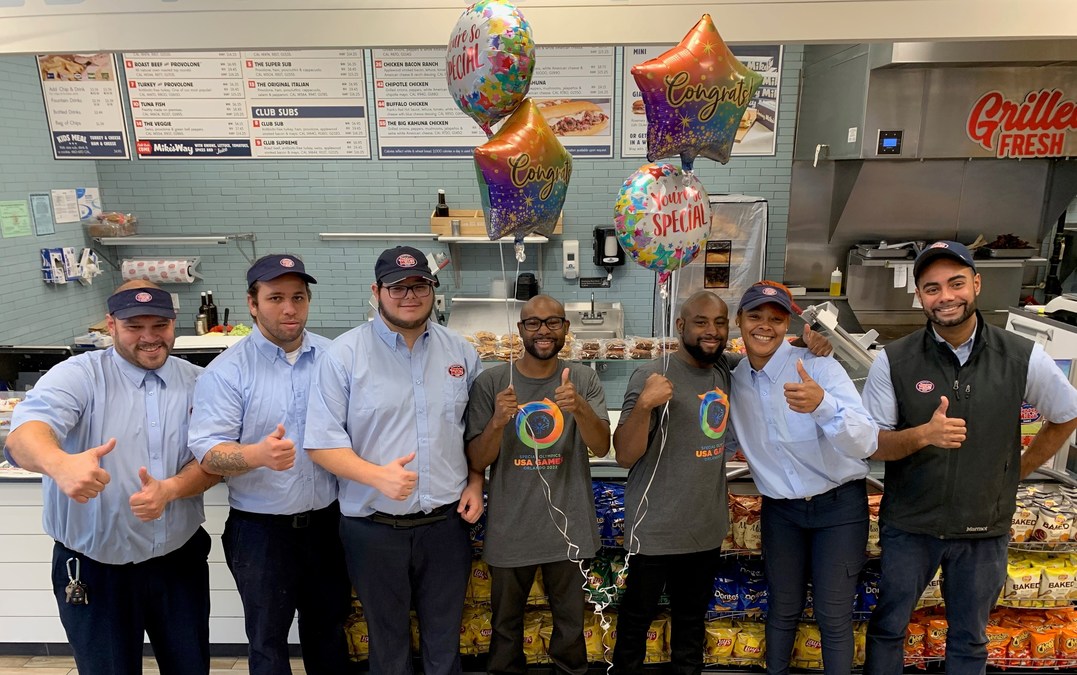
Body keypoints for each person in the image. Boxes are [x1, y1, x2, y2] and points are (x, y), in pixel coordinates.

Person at [861, 241, 1077, 675]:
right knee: (888, 628)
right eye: (932, 288)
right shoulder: (894, 360)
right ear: (920, 296)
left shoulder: (1021, 355)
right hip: (911, 526)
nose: (945, 297)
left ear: (976, 284)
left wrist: (1017, 469)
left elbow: (1066, 414)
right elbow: (874, 444)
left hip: (983, 528)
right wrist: (923, 435)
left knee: (970, 639)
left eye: (956, 284)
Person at [5, 281, 219, 675]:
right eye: (135, 325)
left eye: (160, 324)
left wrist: (170, 489)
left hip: (179, 564)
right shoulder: (78, 376)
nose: (150, 337)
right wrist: (59, 463)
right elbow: (24, 436)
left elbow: (211, 464)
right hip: (95, 570)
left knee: (190, 667)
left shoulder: (197, 381)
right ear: (111, 325)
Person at [304, 245, 486, 675]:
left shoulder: (461, 353)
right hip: (372, 529)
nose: (409, 295)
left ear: (433, 290)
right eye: (397, 287)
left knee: (445, 642)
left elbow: (477, 433)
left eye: (419, 284)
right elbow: (320, 442)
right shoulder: (343, 356)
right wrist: (375, 476)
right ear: (376, 291)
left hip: (446, 527)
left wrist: (476, 481)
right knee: (386, 644)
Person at [188, 254, 351, 675]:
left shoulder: (336, 359)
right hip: (261, 533)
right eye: (275, 297)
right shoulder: (227, 373)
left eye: (298, 297)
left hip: (328, 526)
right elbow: (208, 451)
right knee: (266, 642)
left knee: (330, 633)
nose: (289, 308)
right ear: (252, 303)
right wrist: (256, 455)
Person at [729, 281, 878, 675]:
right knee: (782, 610)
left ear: (786, 325)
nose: (765, 326)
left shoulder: (819, 367)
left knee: (833, 617)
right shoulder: (735, 380)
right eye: (755, 316)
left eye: (776, 319)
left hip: (839, 509)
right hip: (781, 513)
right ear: (739, 322)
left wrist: (822, 406)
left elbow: (865, 440)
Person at [465, 295, 610, 675]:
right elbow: (477, 461)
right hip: (512, 527)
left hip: (569, 527)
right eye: (533, 323)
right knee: (505, 628)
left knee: (570, 629)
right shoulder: (492, 381)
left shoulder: (583, 378)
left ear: (565, 328)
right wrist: (497, 422)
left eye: (552, 322)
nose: (543, 331)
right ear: (520, 330)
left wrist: (579, 407)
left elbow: (601, 446)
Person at [610, 290, 735, 675]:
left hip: (705, 527)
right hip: (656, 527)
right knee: (635, 623)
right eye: (701, 322)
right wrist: (646, 405)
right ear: (680, 326)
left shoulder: (723, 370)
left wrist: (815, 346)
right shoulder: (652, 374)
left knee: (691, 625)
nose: (711, 331)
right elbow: (624, 455)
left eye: (719, 322)